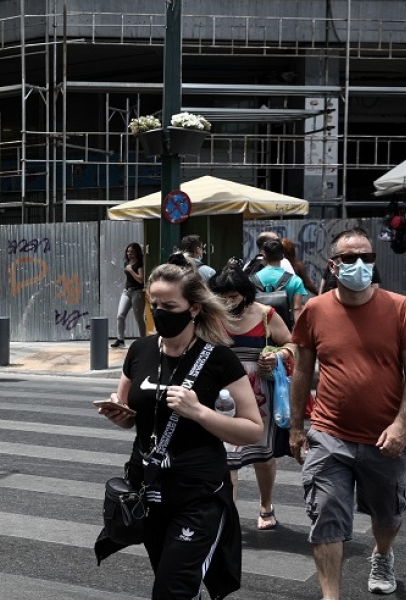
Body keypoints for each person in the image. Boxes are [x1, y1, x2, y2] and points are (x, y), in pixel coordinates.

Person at [96, 256, 262, 599]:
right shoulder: (140, 350)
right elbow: (130, 411)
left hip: (199, 493)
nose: (159, 312)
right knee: (172, 581)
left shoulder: (218, 358)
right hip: (148, 491)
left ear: (194, 309)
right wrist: (121, 415)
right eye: (154, 304)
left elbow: (251, 429)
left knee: (171, 590)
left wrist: (199, 412)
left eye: (170, 305)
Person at [289, 228, 406, 598]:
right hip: (329, 434)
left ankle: (382, 554)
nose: (360, 264)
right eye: (350, 258)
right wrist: (296, 426)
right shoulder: (315, 310)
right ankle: (330, 595)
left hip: (386, 437)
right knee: (326, 516)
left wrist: (401, 424)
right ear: (334, 265)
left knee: (387, 515)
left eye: (367, 257)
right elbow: (303, 369)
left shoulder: (400, 308)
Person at [209, 260, 295, 531]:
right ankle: (229, 515)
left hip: (261, 395)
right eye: (221, 297)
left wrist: (279, 355)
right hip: (224, 395)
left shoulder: (266, 314)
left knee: (262, 454)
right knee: (227, 456)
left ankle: (266, 505)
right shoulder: (212, 316)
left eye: (232, 296)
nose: (227, 302)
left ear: (245, 293)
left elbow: (292, 343)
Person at [253, 239, 307, 324]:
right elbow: (296, 309)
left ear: (264, 256)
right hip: (285, 329)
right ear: (282, 256)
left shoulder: (252, 280)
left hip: (259, 329)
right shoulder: (295, 281)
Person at [111, 242, 146, 348]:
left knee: (138, 318)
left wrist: (131, 271)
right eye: (128, 251)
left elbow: (140, 279)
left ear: (136, 253)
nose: (129, 253)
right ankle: (120, 339)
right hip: (127, 291)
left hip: (137, 292)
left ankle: (143, 340)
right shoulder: (126, 262)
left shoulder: (139, 264)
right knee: (120, 315)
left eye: (132, 252)